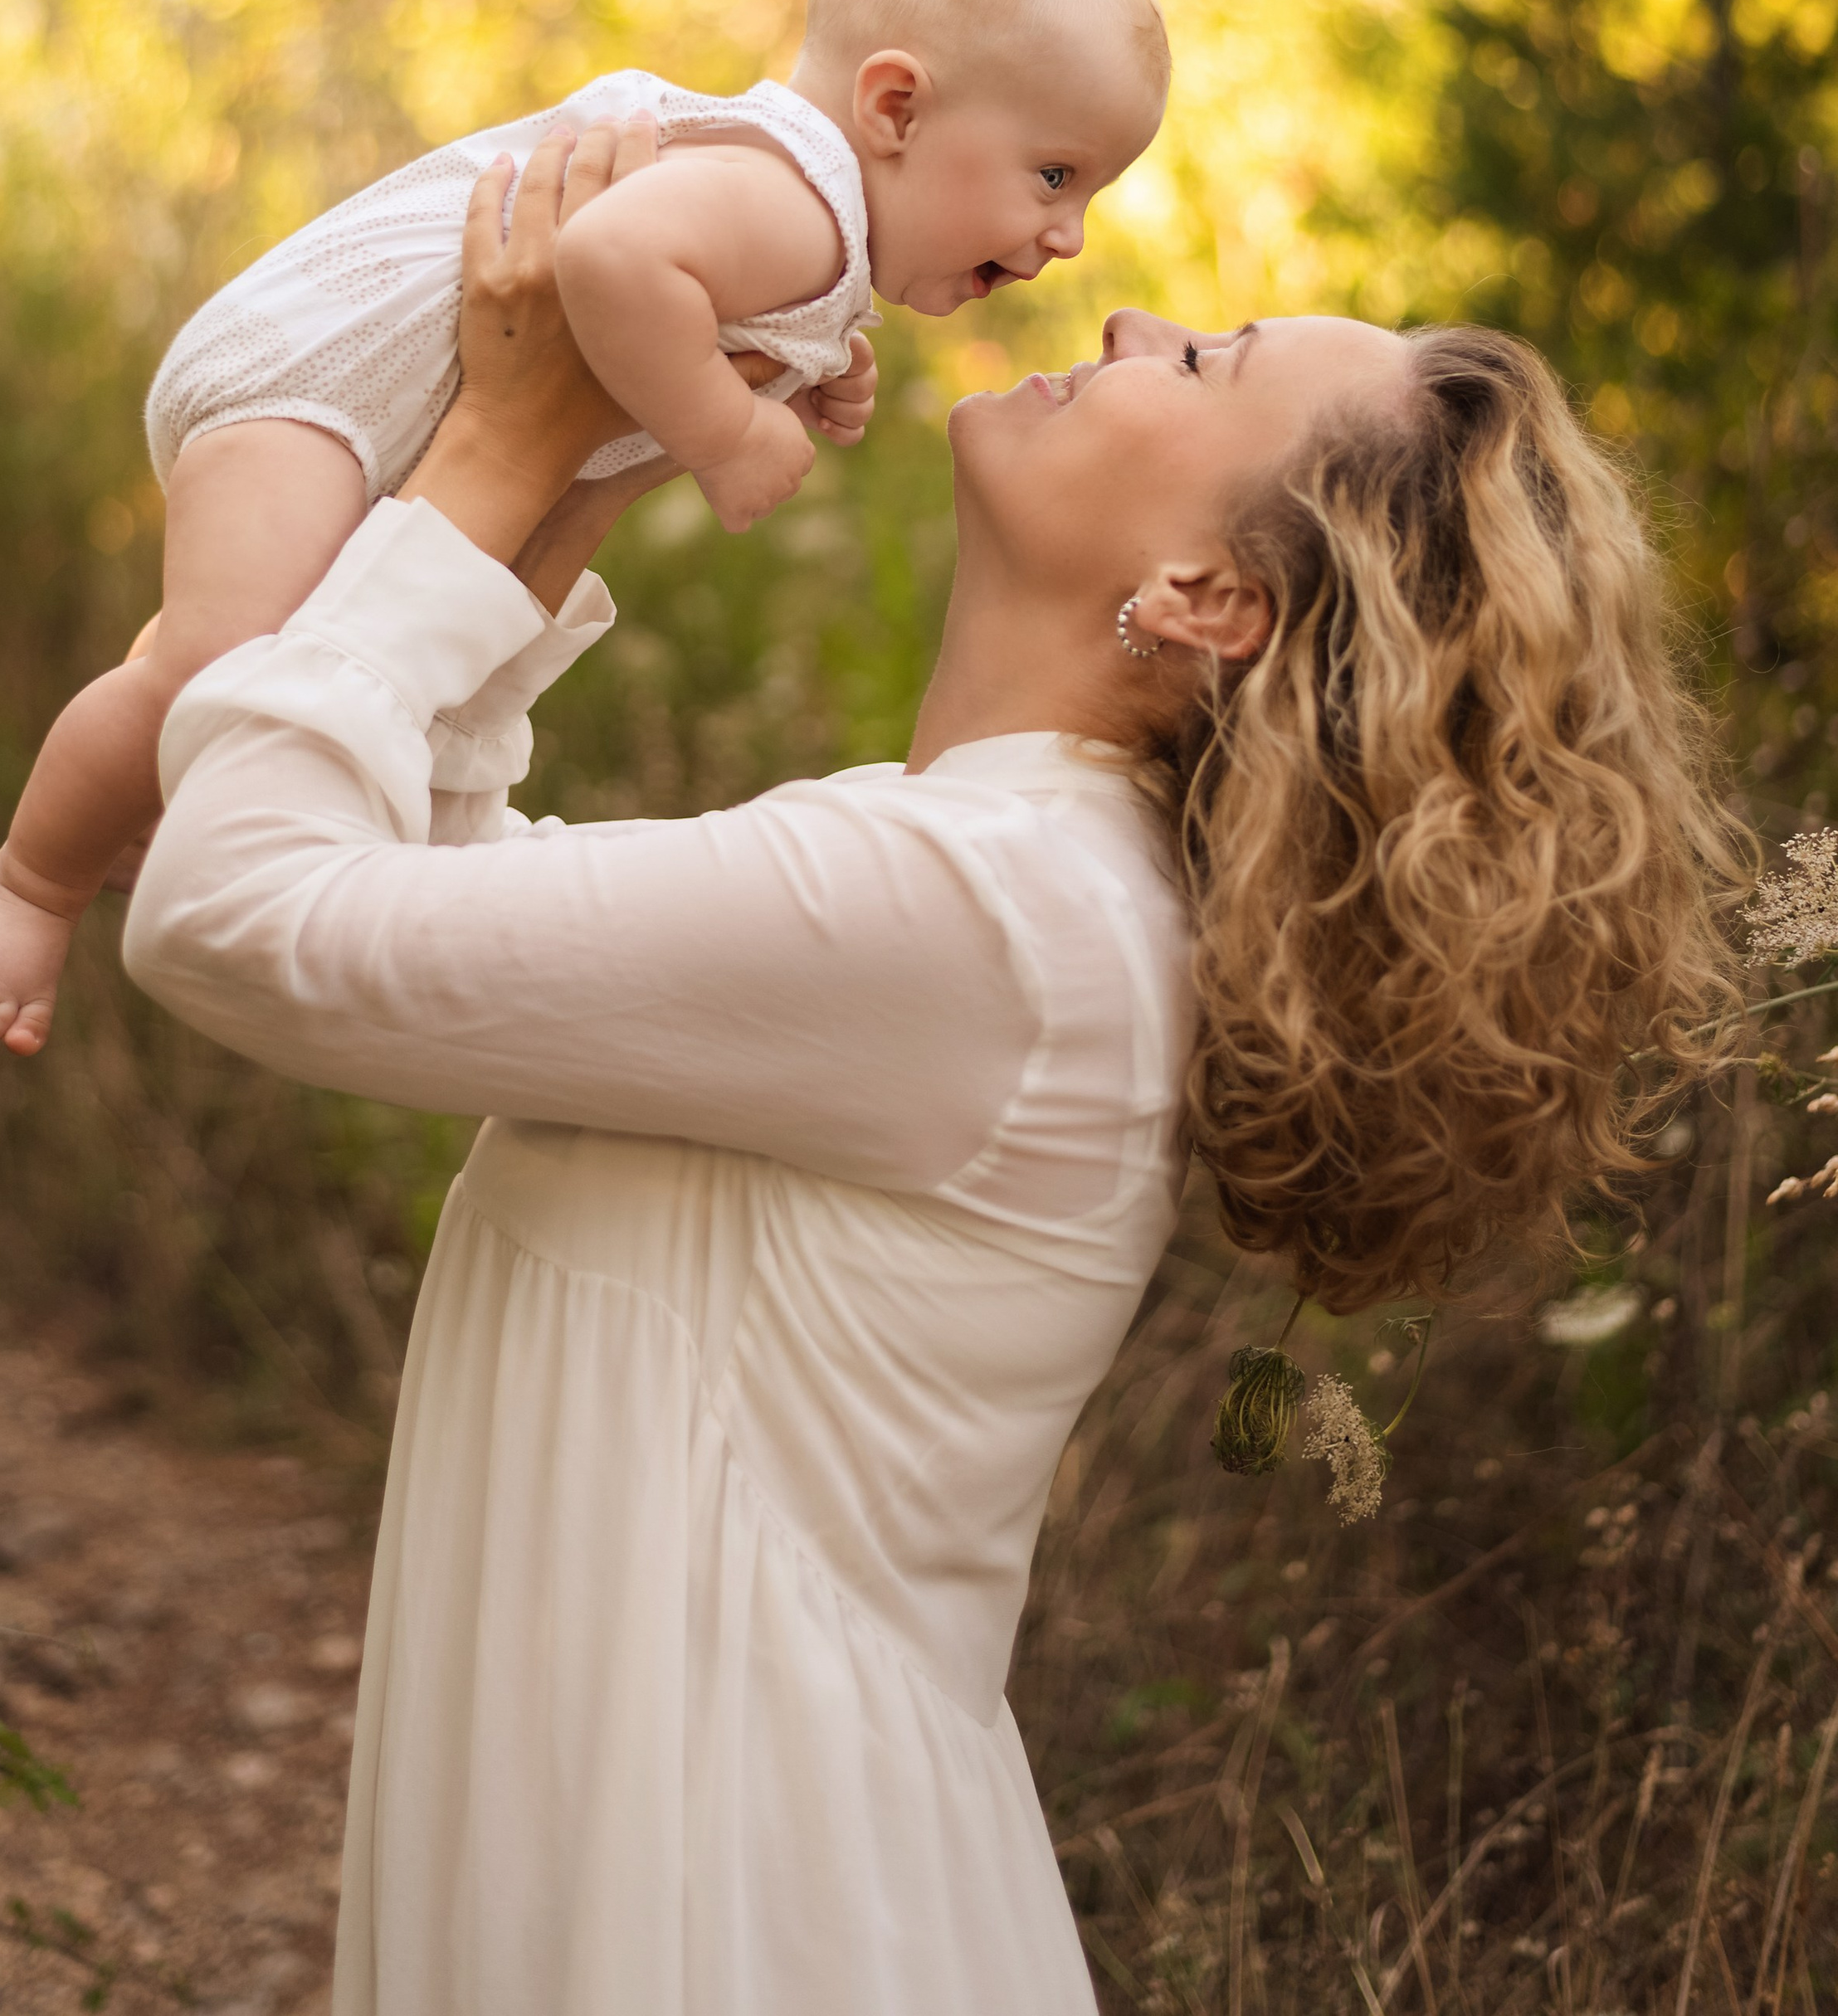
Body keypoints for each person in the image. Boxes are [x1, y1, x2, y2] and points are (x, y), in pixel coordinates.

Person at [120, 124, 1741, 2015]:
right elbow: (439, 906)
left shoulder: (983, 911)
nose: (1131, 316)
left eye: (1202, 361)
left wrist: (483, 453)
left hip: (741, 1910)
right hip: (737, 1865)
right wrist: (557, 466)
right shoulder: (988, 863)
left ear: (1209, 594)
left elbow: (232, 912)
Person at [0, 0, 1169, 1055]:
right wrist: (729, 431)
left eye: (1090, 192)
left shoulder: (811, 230)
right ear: (895, 109)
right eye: (1054, 175)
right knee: (219, 669)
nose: (1066, 234)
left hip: (371, 404)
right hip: (315, 380)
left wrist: (815, 367)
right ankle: (31, 881)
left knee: (255, 661)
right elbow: (615, 261)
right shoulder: (793, 200)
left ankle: (129, 805)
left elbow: (685, 306)